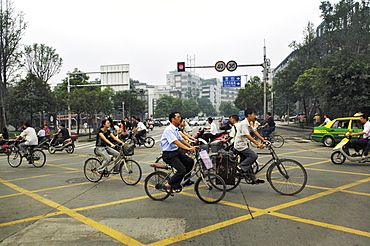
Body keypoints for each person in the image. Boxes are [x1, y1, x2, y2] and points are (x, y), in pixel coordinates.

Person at [160, 112, 197, 195]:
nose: (180, 118)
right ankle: (168, 184)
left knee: (190, 161)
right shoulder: (169, 130)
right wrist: (188, 148)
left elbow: (181, 140)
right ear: (172, 119)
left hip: (176, 152)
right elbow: (175, 141)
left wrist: (190, 146)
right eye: (178, 117)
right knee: (181, 170)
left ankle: (186, 181)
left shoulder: (175, 129)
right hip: (169, 154)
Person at [234, 108, 267, 183]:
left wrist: (263, 140)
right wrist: (258, 143)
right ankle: (240, 167)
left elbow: (254, 131)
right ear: (249, 115)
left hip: (244, 145)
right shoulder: (244, 123)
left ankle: (253, 179)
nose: (255, 116)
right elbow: (247, 135)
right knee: (253, 156)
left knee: (249, 162)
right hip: (240, 146)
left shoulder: (248, 123)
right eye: (254, 114)